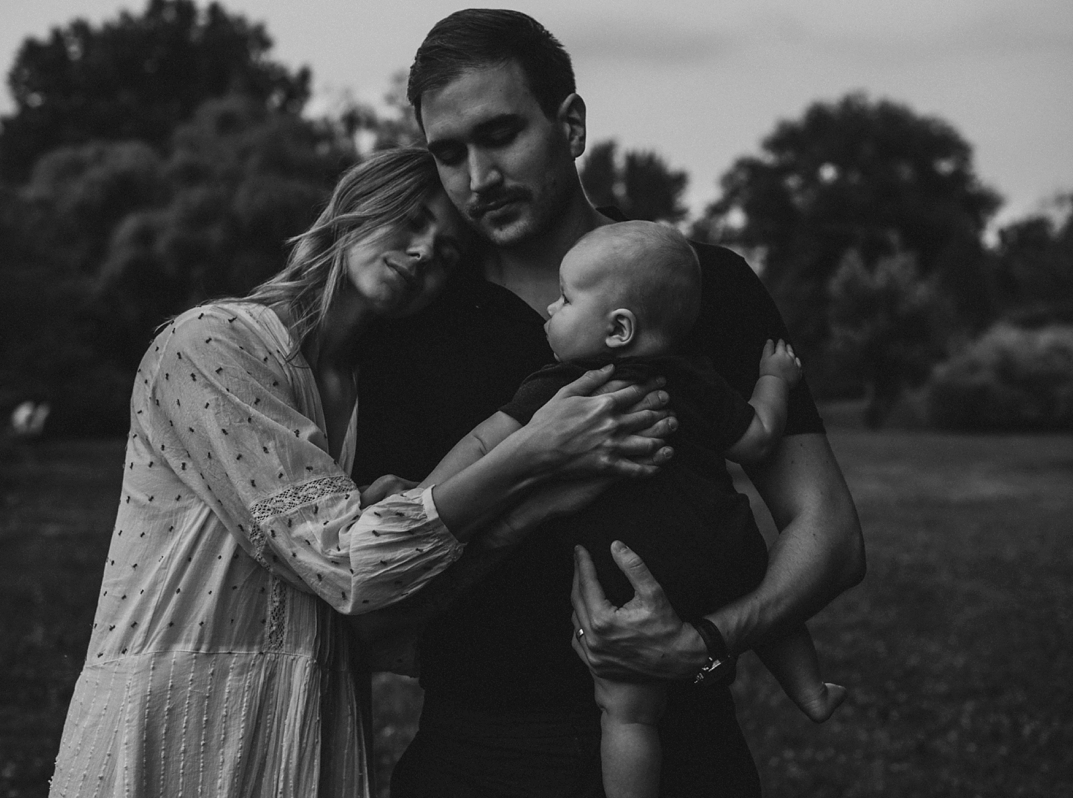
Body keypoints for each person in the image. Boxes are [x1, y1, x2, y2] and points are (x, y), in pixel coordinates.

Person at [48, 147, 675, 798]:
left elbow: (392, 604)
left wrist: (536, 506)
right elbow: (351, 565)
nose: (429, 249)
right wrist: (534, 450)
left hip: (308, 724)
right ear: (353, 213)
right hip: (179, 722)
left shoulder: (374, 397)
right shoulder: (212, 343)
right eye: (411, 220)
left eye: (450, 251)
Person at [352, 10, 865, 797]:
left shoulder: (702, 286)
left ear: (573, 124)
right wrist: (531, 486)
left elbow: (827, 530)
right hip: (478, 751)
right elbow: (381, 606)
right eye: (449, 154)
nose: (478, 179)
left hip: (687, 745)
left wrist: (703, 642)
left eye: (501, 135)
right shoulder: (412, 325)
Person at [419, 220, 848, 798]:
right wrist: (773, 378)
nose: (552, 308)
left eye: (566, 300)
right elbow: (760, 439)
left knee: (628, 714)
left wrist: (426, 492)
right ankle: (810, 691)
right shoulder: (697, 377)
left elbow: (482, 444)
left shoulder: (564, 385)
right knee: (769, 599)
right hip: (721, 547)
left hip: (631, 574)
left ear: (619, 329)